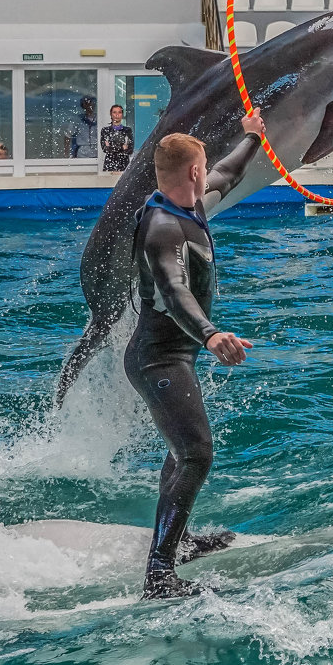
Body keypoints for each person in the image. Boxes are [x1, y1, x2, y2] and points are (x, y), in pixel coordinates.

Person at [124, 109, 266, 600]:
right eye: (203, 164)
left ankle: (178, 542)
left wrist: (252, 136)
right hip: (156, 359)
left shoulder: (189, 204)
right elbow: (172, 289)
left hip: (171, 355)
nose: (210, 171)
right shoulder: (163, 227)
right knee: (196, 454)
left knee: (181, 450)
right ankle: (159, 576)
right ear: (192, 171)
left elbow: (229, 170)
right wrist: (209, 335)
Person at [100, 105, 134, 172]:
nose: (117, 115)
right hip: (110, 164)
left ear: (122, 114)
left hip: (124, 163)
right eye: (114, 112)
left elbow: (130, 150)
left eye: (119, 112)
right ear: (111, 114)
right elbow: (105, 149)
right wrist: (122, 147)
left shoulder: (127, 130)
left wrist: (111, 146)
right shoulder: (105, 130)